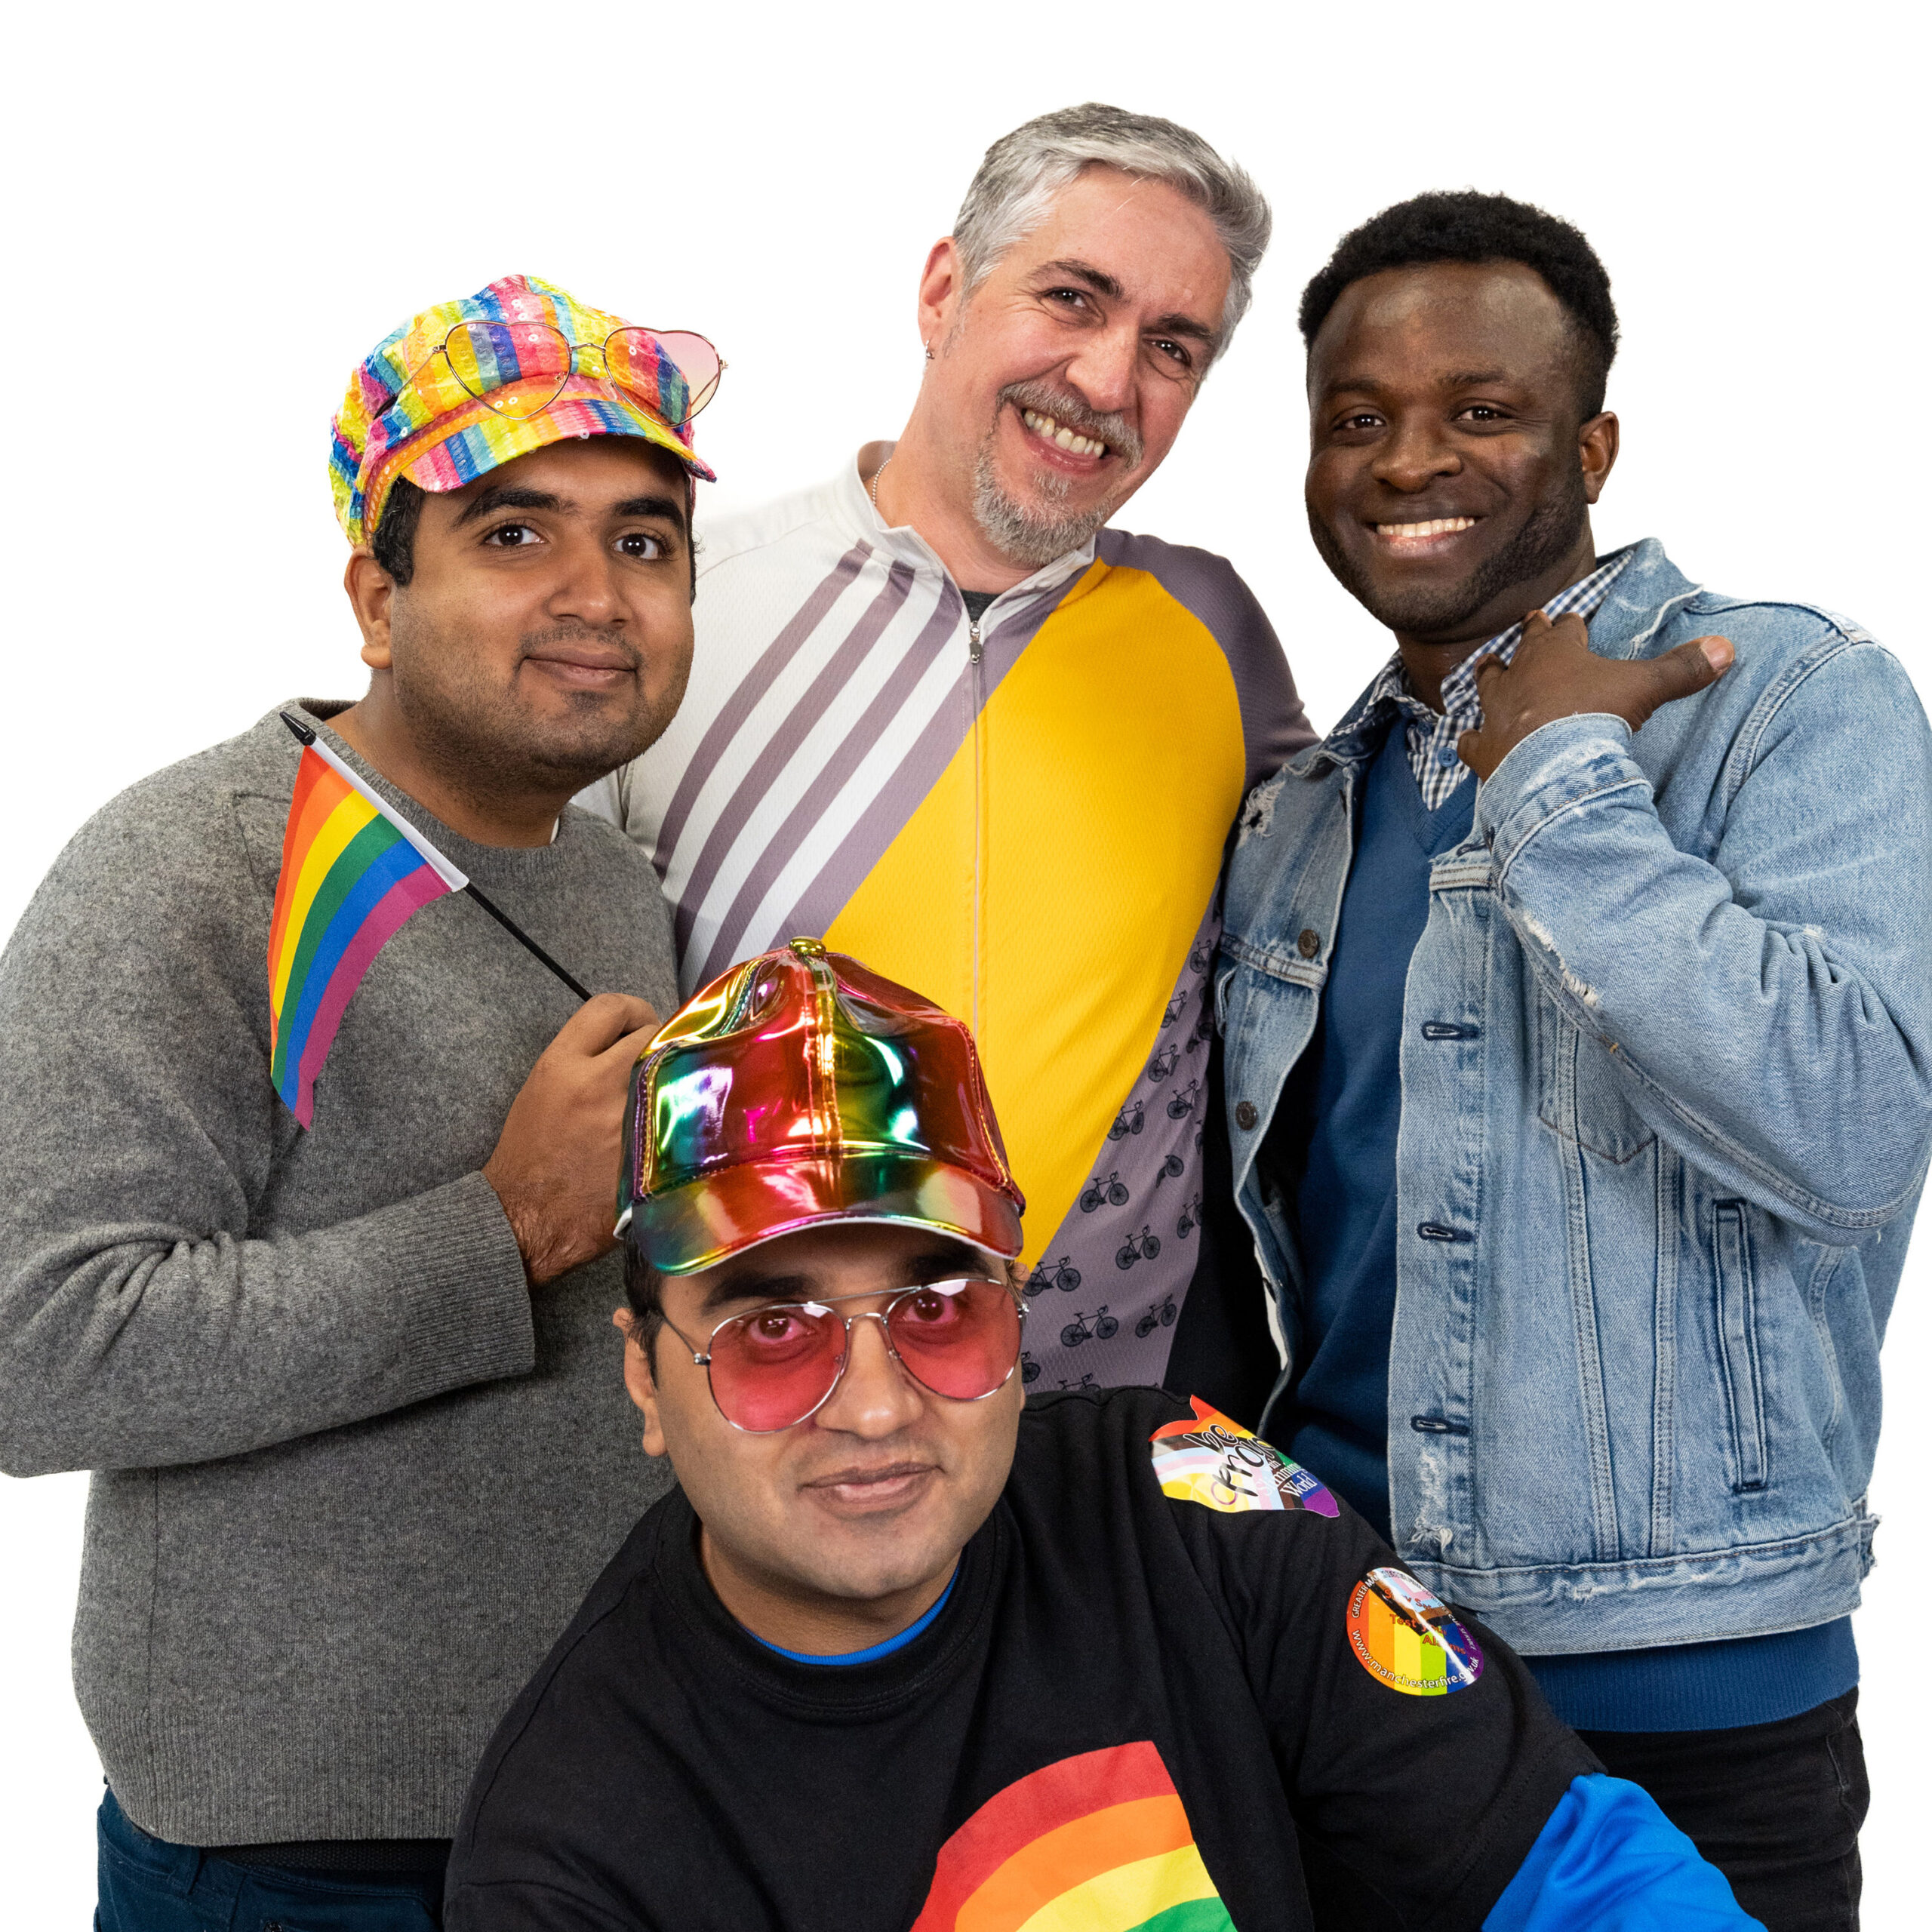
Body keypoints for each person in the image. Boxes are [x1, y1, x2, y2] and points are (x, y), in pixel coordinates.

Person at [442, 937, 1759, 1930]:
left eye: (940, 1309)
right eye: (771, 1333)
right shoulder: (571, 1847)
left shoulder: (1195, 1504)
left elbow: (1575, 1875)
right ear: (645, 1382)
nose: (881, 1403)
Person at [1216, 192, 1932, 1930]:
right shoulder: (1305, 804)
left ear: (1589, 440)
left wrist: (1560, 787)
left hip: (1683, 1688)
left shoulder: (1787, 694)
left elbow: (1847, 1123)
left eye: (1479, 409)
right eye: (1356, 418)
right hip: (1355, 1659)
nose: (1407, 460)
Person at [0, 274, 721, 1927]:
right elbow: (34, 1349)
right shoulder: (195, 867)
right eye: (513, 533)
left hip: (615, 1789)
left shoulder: (620, 883)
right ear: (377, 596)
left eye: (644, 539)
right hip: (301, 1854)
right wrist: (501, 1229)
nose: (595, 595)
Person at [582, 103, 1312, 1414]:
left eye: (1171, 346)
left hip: (1124, 1424)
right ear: (942, 289)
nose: (1105, 380)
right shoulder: (684, 606)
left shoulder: (1215, 634)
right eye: (1072, 298)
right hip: (782, 1422)